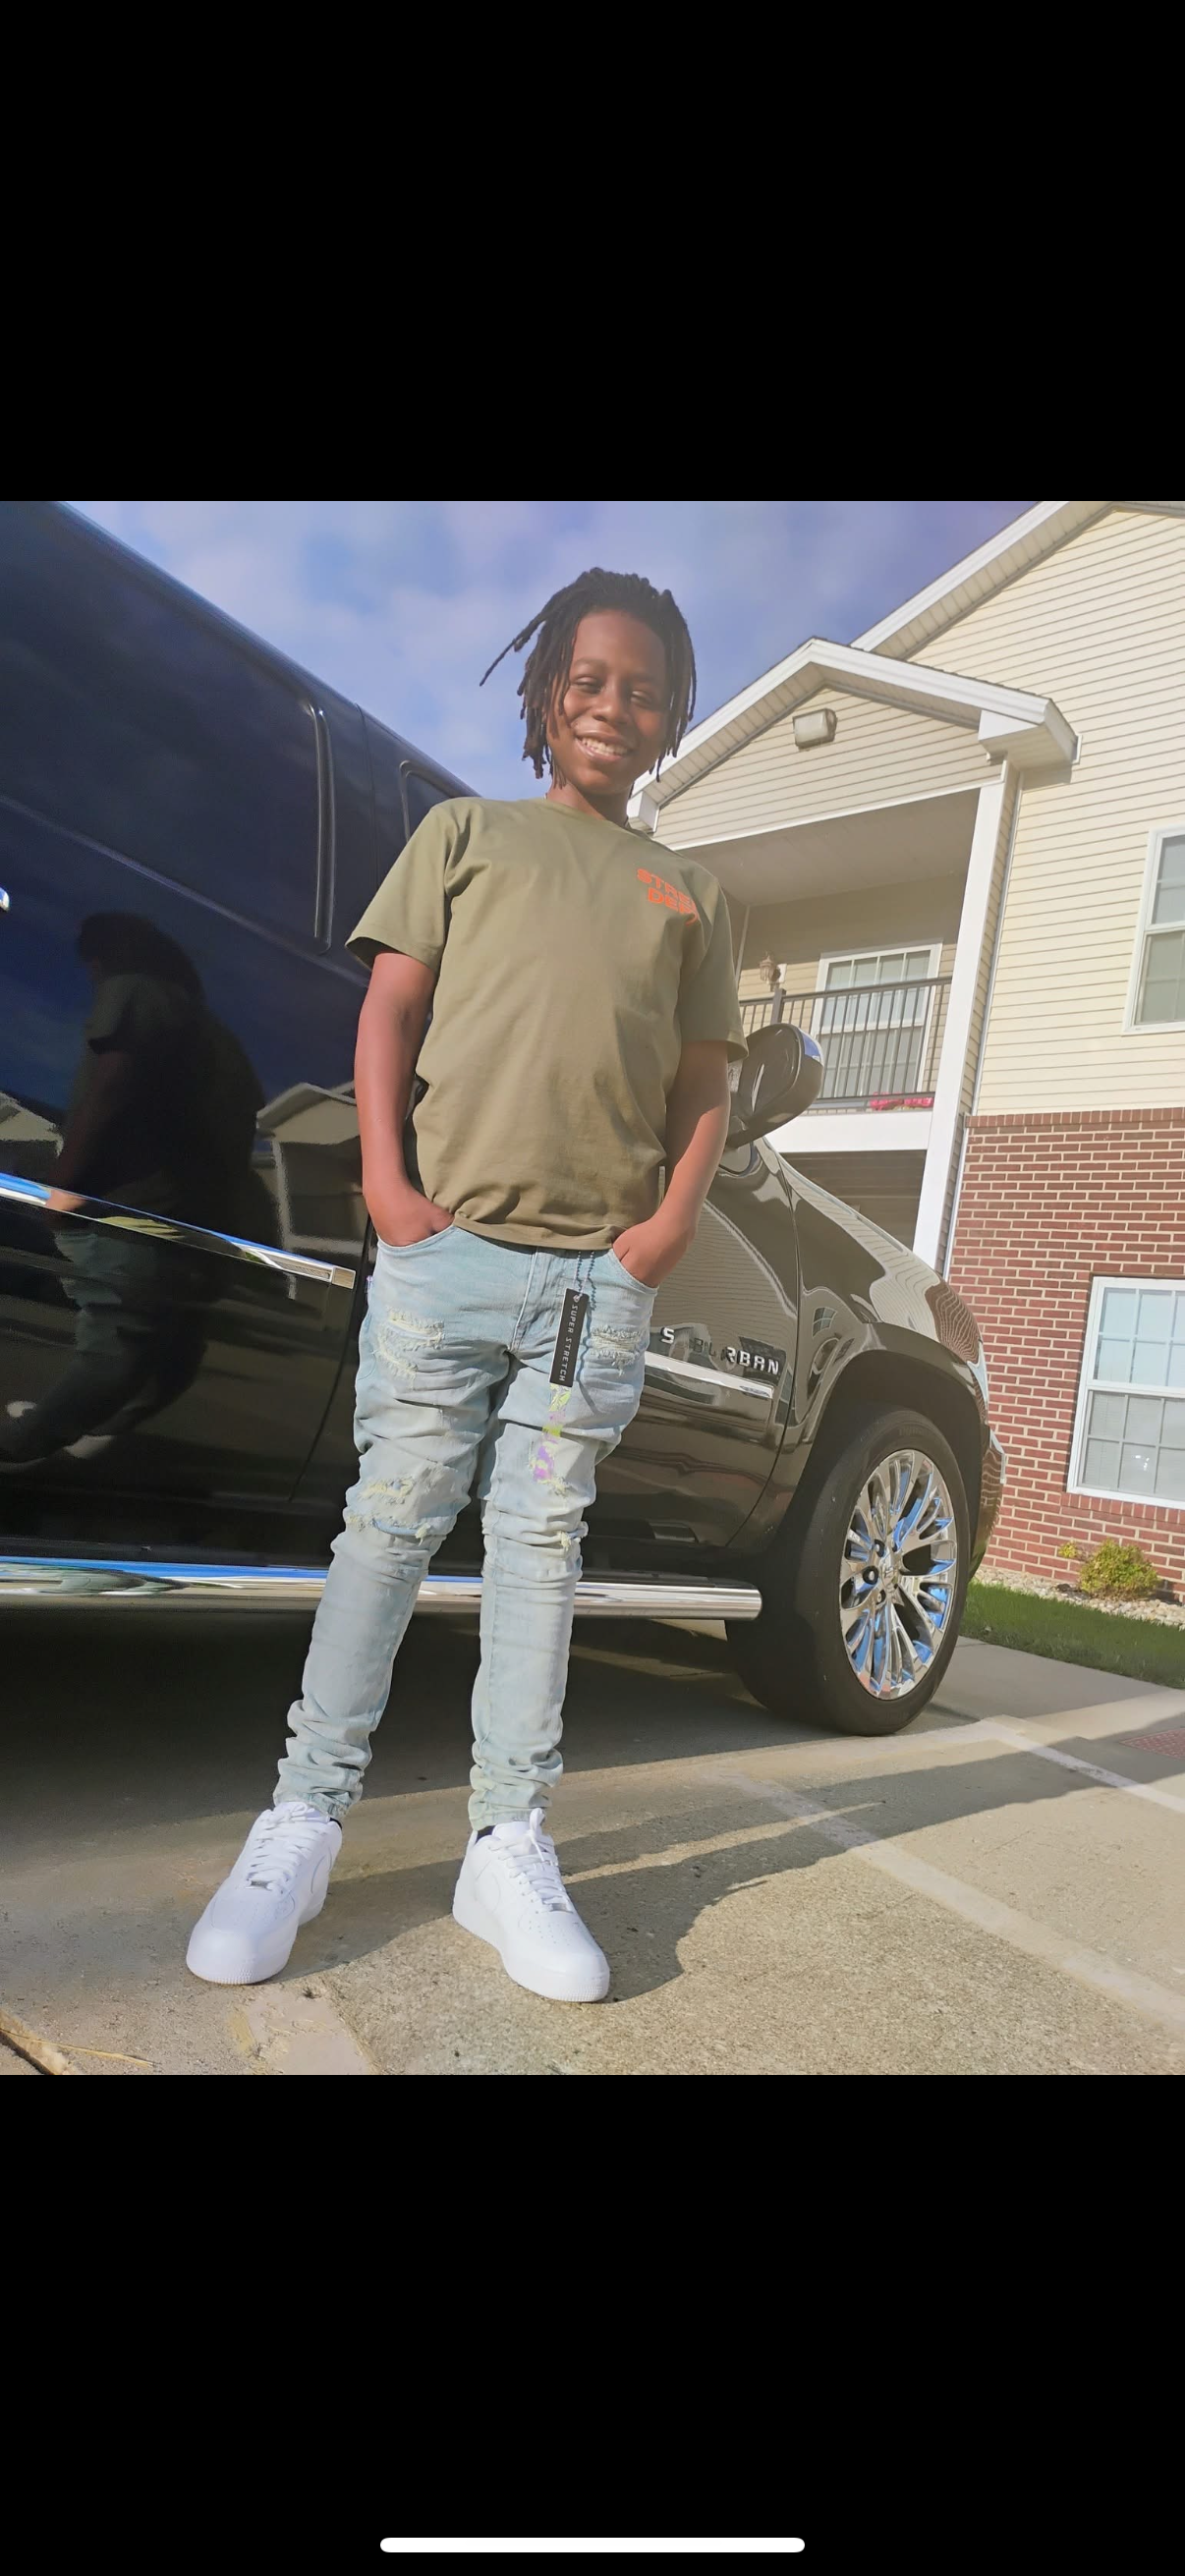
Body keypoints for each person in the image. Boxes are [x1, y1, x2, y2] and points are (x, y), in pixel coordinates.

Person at [187, 570, 746, 2005]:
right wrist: (389, 1186)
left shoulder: (691, 894)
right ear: (543, 694)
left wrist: (665, 1226)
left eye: (644, 688)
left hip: (590, 1289)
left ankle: (505, 1841)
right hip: (448, 1261)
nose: (614, 706)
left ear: (674, 715)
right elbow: (391, 1007)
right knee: (387, 1527)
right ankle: (303, 1818)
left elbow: (703, 1084)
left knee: (539, 1547)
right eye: (590, 678)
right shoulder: (464, 835)